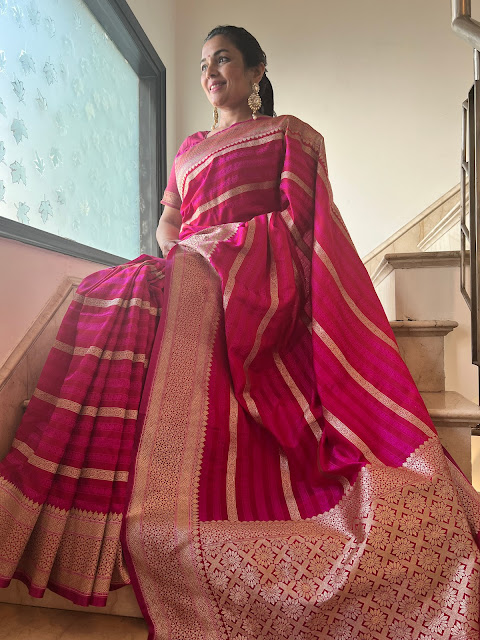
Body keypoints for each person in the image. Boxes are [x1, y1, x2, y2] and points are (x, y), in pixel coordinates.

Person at [1, 24, 480, 640]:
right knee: (106, 292)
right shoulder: (189, 149)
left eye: (223, 59)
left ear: (256, 73)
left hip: (248, 274)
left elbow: (301, 224)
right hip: (193, 264)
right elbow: (169, 223)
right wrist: (183, 246)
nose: (210, 72)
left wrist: (226, 248)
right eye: (203, 64)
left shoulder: (288, 135)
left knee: (167, 289)